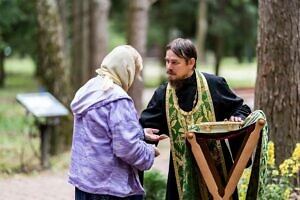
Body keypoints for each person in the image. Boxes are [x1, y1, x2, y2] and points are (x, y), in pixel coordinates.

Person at [139, 38, 252, 200]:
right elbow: (146, 128)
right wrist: (142, 145)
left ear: (191, 62)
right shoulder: (162, 94)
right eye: (167, 62)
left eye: (175, 62)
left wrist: (238, 117)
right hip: (180, 174)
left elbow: (242, 108)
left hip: (217, 172)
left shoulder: (214, 85)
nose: (169, 67)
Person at [68, 45, 161, 200]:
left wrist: (140, 133)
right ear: (127, 70)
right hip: (110, 188)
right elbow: (126, 148)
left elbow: (100, 131)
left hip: (86, 183)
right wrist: (149, 153)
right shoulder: (117, 99)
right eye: (135, 72)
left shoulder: (89, 89)